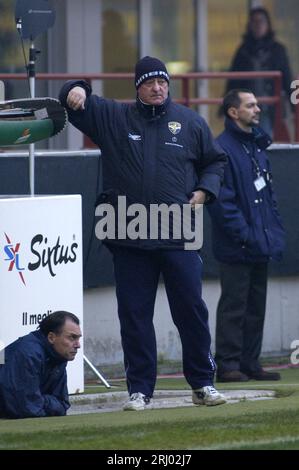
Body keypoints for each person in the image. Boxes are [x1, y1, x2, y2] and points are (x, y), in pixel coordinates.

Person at [59, 56, 227, 410]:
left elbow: (215, 161)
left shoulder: (191, 123)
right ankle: (140, 390)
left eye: (162, 82)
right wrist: (74, 89)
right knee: (134, 315)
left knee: (191, 312)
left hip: (178, 232)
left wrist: (203, 191)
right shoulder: (116, 118)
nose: (157, 87)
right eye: (149, 82)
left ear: (169, 85)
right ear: (137, 87)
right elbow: (74, 99)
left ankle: (202, 384)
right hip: (128, 234)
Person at [208, 89, 285, 382]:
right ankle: (228, 365)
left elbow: (268, 196)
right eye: (250, 105)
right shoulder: (222, 149)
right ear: (233, 112)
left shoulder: (255, 147)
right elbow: (222, 202)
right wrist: (246, 234)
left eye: (257, 104)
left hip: (259, 243)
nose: (257, 109)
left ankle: (249, 362)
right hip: (237, 246)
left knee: (255, 307)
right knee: (234, 306)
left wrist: (268, 233)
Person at [225, 7, 293, 137]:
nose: (258, 25)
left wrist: (293, 105)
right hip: (246, 106)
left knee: (266, 140)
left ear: (268, 24)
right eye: (254, 22)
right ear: (249, 25)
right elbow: (233, 79)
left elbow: (286, 77)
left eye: (261, 21)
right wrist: (227, 104)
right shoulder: (243, 50)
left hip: (270, 106)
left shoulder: (278, 50)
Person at [0, 311, 81, 419]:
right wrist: (45, 401)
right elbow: (27, 409)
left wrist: (41, 400)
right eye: (72, 337)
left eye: (78, 338)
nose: (78, 345)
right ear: (51, 337)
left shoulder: (58, 356)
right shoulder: (27, 353)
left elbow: (63, 404)